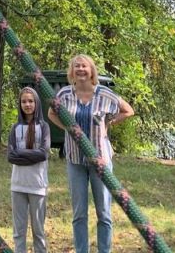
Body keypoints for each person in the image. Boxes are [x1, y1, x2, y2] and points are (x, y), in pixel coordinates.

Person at [48, 54, 134, 253]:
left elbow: (128, 110)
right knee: (79, 213)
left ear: (91, 70)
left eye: (84, 66)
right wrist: (66, 128)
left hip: (100, 160)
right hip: (75, 160)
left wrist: (109, 123)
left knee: (104, 212)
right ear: (72, 72)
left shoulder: (103, 93)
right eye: (76, 66)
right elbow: (52, 113)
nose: (80, 69)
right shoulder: (64, 94)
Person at [7, 86, 51, 253]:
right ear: (20, 104)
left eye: (30, 101)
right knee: (19, 232)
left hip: (37, 185)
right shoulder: (15, 128)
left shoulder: (44, 127)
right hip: (18, 185)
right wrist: (32, 154)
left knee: (38, 231)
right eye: (24, 101)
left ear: (36, 103)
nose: (27, 104)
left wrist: (20, 153)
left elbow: (43, 154)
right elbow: (10, 157)